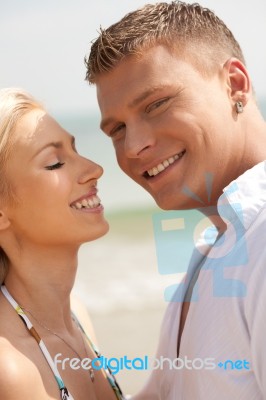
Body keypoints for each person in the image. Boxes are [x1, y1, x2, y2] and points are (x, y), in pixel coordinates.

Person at [84, 1, 266, 399]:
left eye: (156, 104)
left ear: (235, 84)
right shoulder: (215, 248)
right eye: (116, 129)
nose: (133, 147)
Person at [0, 88, 124, 400]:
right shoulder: (10, 369)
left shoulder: (76, 318)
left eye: (75, 150)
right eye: (55, 162)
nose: (94, 169)